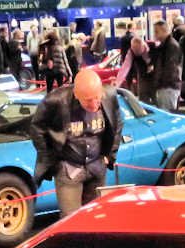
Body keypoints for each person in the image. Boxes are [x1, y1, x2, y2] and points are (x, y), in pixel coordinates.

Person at [30, 69, 122, 218]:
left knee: (95, 217)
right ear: (76, 95)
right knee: (70, 219)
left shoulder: (110, 95)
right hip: (68, 168)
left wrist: (110, 154)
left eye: (97, 98)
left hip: (97, 166)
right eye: (88, 100)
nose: (94, 104)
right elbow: (37, 128)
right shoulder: (56, 100)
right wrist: (50, 158)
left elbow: (117, 123)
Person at [145, 20, 184, 110]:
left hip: (168, 87)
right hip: (166, 86)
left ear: (164, 31)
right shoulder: (164, 46)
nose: (154, 34)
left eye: (156, 31)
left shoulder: (171, 46)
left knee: (166, 114)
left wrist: (160, 82)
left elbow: (170, 69)